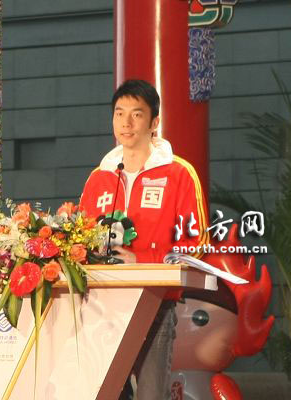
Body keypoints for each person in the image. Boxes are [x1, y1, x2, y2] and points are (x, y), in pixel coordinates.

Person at [79, 79, 209, 399]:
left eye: (136, 114)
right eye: (119, 113)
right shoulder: (99, 178)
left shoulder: (178, 174)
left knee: (151, 393)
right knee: (102, 394)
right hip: (100, 306)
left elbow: (196, 245)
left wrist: (144, 262)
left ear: (154, 123)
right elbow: (79, 239)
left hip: (154, 302)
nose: (126, 122)